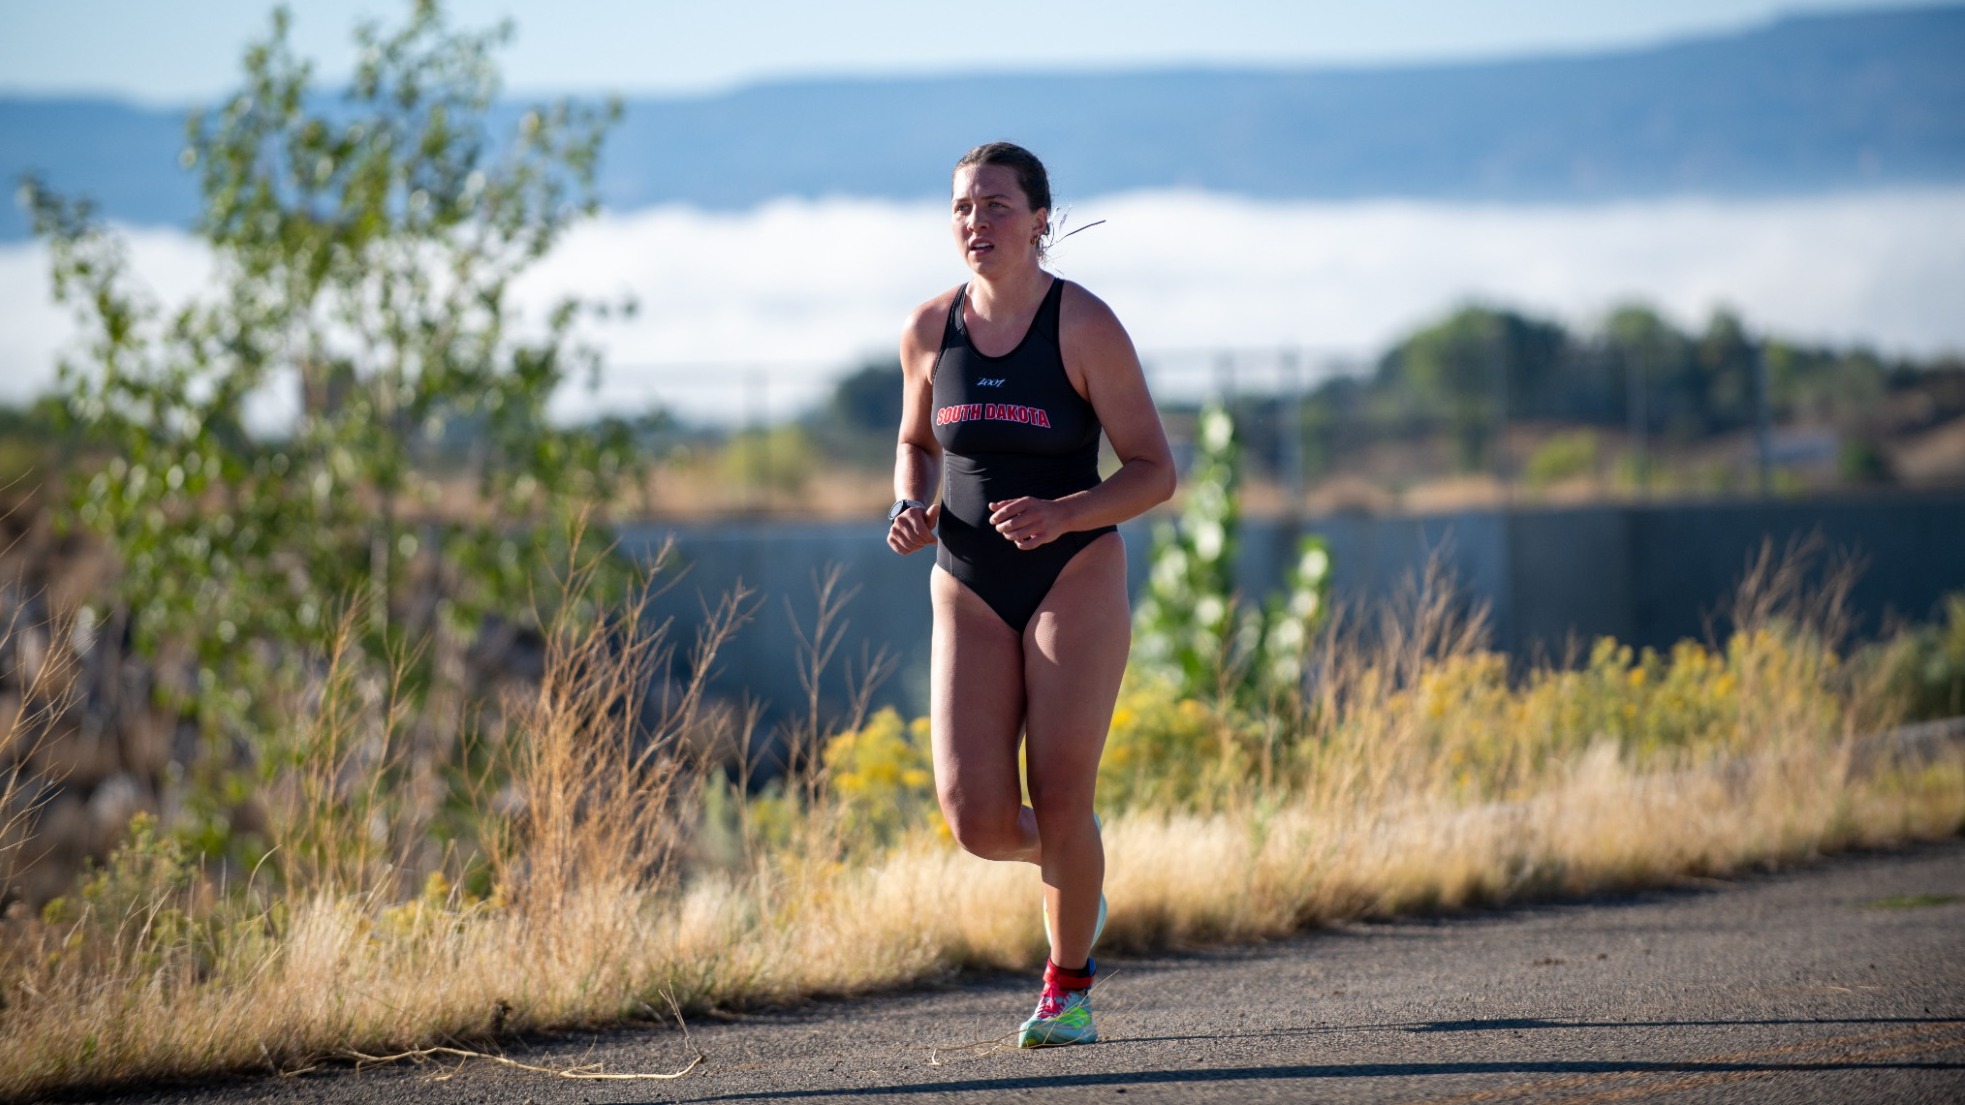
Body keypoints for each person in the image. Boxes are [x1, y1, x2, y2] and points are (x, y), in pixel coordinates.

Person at [886, 141, 1175, 1047]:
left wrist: (1063, 513)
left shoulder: (1083, 325)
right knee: (974, 817)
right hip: (966, 581)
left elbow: (1155, 471)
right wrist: (908, 500)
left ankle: (1068, 989)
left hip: (1073, 571)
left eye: (997, 206)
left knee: (1059, 788)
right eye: (964, 208)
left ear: (1041, 218)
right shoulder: (931, 328)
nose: (977, 223)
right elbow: (915, 441)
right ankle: (1075, 858)